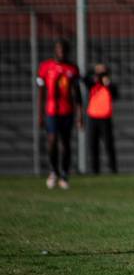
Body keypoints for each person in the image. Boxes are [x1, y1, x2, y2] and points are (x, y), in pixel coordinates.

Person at [36, 38, 82, 190]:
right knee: (52, 140)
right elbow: (41, 92)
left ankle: (64, 174)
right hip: (51, 110)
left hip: (67, 110)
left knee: (65, 143)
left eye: (64, 50)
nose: (61, 52)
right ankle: (53, 171)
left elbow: (77, 93)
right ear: (55, 50)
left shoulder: (72, 69)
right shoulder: (45, 67)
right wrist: (40, 114)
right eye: (59, 49)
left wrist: (80, 115)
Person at [86, 63, 118, 175]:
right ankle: (95, 170)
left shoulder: (109, 85)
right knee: (93, 145)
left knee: (109, 145)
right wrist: (95, 70)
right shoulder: (92, 84)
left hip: (105, 118)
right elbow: (84, 78)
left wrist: (107, 83)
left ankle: (113, 169)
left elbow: (115, 94)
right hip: (93, 117)